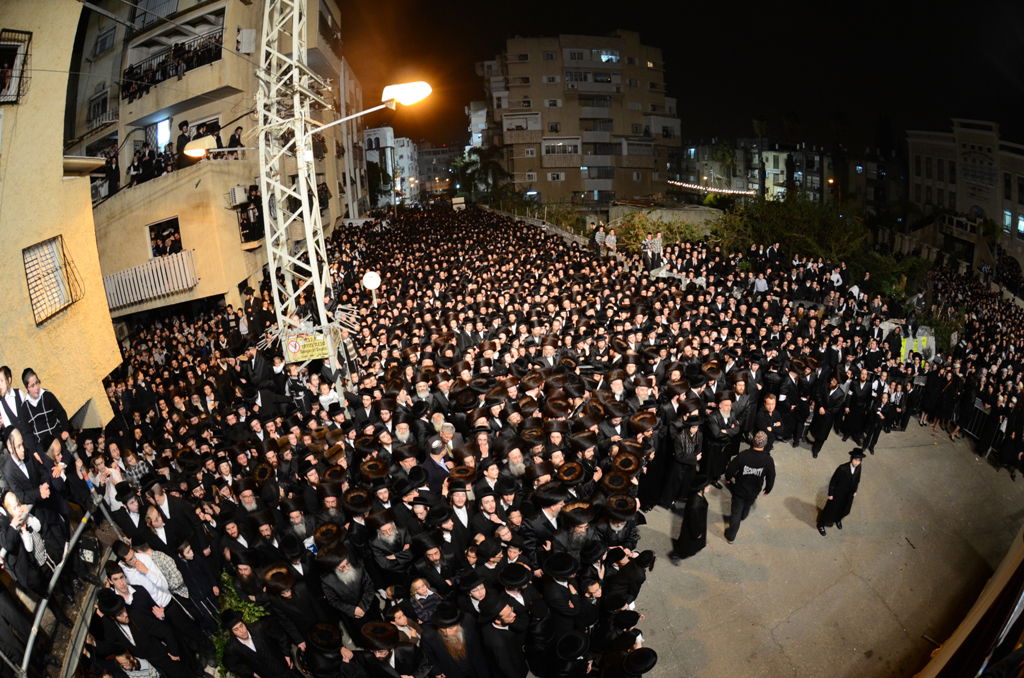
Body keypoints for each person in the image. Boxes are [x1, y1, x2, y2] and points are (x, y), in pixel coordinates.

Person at [723, 431, 776, 543]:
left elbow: (731, 469)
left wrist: (728, 478)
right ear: (765, 444)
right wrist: (768, 489)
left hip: (740, 489)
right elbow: (771, 476)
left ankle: (731, 536)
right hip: (754, 490)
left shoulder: (743, 455)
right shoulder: (768, 460)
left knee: (735, 513)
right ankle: (743, 516)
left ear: (753, 441)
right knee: (747, 505)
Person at [817, 449, 864, 536]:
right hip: (838, 494)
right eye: (856, 459)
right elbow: (833, 481)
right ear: (851, 459)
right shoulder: (842, 468)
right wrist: (830, 494)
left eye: (859, 460)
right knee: (829, 510)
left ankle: (837, 519)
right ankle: (820, 524)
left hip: (849, 495)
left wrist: (855, 490)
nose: (857, 462)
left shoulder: (859, 467)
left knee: (844, 509)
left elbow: (857, 480)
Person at [669, 475, 710, 564]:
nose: (709, 487)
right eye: (707, 486)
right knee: (687, 544)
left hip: (698, 524)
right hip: (693, 528)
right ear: (701, 489)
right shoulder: (695, 504)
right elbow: (693, 521)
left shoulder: (697, 496)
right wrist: (697, 533)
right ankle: (677, 555)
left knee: (690, 544)